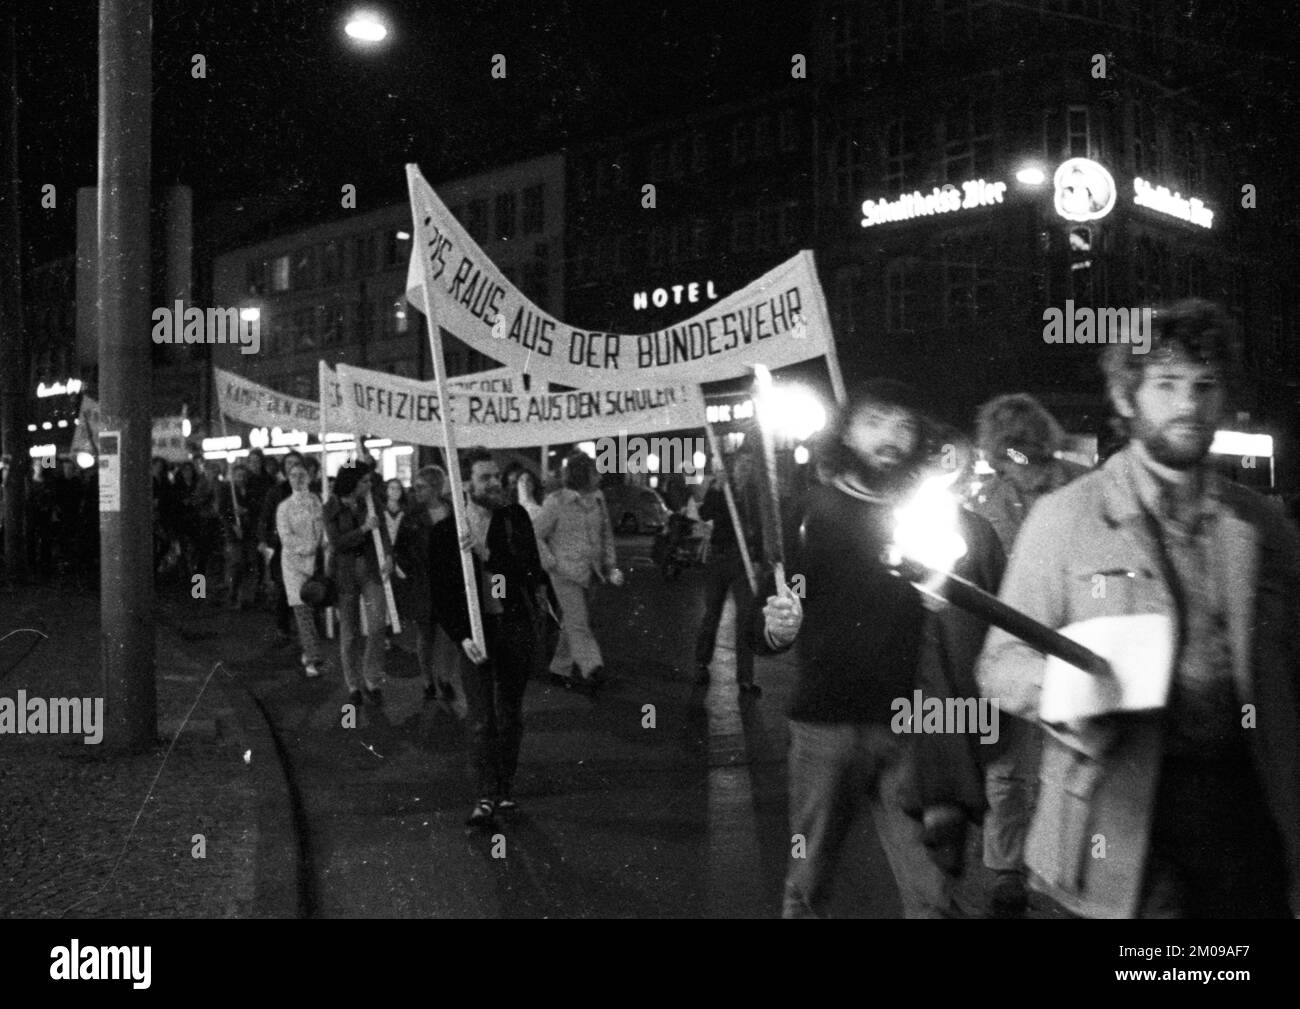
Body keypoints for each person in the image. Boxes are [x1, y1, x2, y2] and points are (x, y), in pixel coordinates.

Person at [978, 299, 1300, 919]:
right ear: (1127, 400)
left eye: (1204, 386)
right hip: (1119, 816)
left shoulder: (1260, 524)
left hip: (1245, 813)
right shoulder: (1064, 517)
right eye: (1167, 384)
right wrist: (1068, 688)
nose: (1189, 405)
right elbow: (1000, 665)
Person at [755, 378, 990, 918]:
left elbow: (955, 612)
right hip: (826, 726)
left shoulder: (923, 514)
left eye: (904, 425)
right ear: (847, 432)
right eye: (876, 420)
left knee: (930, 893)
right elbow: (760, 626)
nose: (891, 436)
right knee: (809, 881)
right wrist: (778, 626)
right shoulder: (808, 513)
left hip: (911, 729)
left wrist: (941, 600)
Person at [963, 393, 1088, 918]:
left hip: (1078, 642)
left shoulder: (1085, 488)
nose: (1016, 466)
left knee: (1078, 761)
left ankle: (1071, 868)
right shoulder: (983, 503)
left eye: (1024, 454)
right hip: (1010, 650)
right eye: (1005, 456)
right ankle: (1008, 868)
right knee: (1009, 771)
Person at [430, 448, 547, 827]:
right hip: (475, 637)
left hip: (511, 627)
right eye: (485, 478)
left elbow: (528, 572)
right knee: (481, 717)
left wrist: (488, 555)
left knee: (510, 714)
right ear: (465, 484)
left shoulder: (514, 519)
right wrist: (462, 636)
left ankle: (506, 790)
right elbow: (443, 594)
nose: (495, 483)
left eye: (496, 476)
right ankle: (485, 794)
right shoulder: (446, 532)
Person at [533, 450, 621, 693]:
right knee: (578, 622)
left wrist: (610, 563)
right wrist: (549, 562)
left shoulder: (598, 500)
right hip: (564, 572)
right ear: (584, 474)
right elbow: (534, 534)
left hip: (590, 571)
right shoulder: (556, 502)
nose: (600, 475)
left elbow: (606, 534)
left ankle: (559, 668)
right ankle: (592, 667)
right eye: (595, 471)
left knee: (573, 622)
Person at [694, 445, 763, 694]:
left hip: (744, 562)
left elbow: (760, 525)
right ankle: (701, 663)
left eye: (750, 463)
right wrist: (715, 490)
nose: (746, 467)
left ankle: (745, 678)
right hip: (720, 558)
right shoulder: (722, 488)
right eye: (742, 462)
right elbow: (705, 513)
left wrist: (758, 557)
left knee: (746, 617)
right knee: (712, 613)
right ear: (733, 465)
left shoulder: (754, 493)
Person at [394, 465, 462, 711]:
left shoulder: (454, 511)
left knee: (451, 634)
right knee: (426, 634)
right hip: (423, 582)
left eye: (421, 486)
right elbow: (399, 548)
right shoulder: (412, 515)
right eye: (415, 486)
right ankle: (427, 680)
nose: (415, 490)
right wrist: (412, 571)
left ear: (436, 487)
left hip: (449, 582)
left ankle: (445, 678)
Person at [324, 461, 390, 705]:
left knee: (376, 626)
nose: (369, 485)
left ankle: (372, 678)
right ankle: (353, 683)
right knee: (349, 633)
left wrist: (389, 555)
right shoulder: (330, 507)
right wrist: (363, 529)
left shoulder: (372, 502)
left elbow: (383, 532)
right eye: (364, 481)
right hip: (345, 573)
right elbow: (336, 542)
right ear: (352, 483)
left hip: (370, 569)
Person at [276, 460, 327, 678]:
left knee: (314, 610)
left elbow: (321, 526)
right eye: (293, 475)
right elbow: (286, 537)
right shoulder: (284, 507)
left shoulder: (315, 500)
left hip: (315, 563)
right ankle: (314, 659)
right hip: (294, 565)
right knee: (303, 611)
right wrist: (308, 548)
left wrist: (321, 545)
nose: (298, 479)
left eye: (302, 474)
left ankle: (309, 650)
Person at [259, 450, 307, 642]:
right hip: (281, 546)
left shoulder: (309, 492)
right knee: (282, 587)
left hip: (304, 546)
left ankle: (305, 626)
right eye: (288, 464)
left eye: (296, 463)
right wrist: (263, 540)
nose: (292, 468)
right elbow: (265, 517)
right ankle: (283, 626)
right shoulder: (276, 491)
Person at [218, 463, 259, 609]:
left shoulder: (250, 490)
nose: (241, 479)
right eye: (238, 476)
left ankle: (246, 597)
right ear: (233, 476)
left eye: (243, 476)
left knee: (249, 564)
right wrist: (233, 524)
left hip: (249, 533)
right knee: (236, 563)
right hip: (233, 534)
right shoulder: (227, 491)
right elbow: (222, 511)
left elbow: (256, 508)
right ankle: (232, 595)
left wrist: (246, 510)